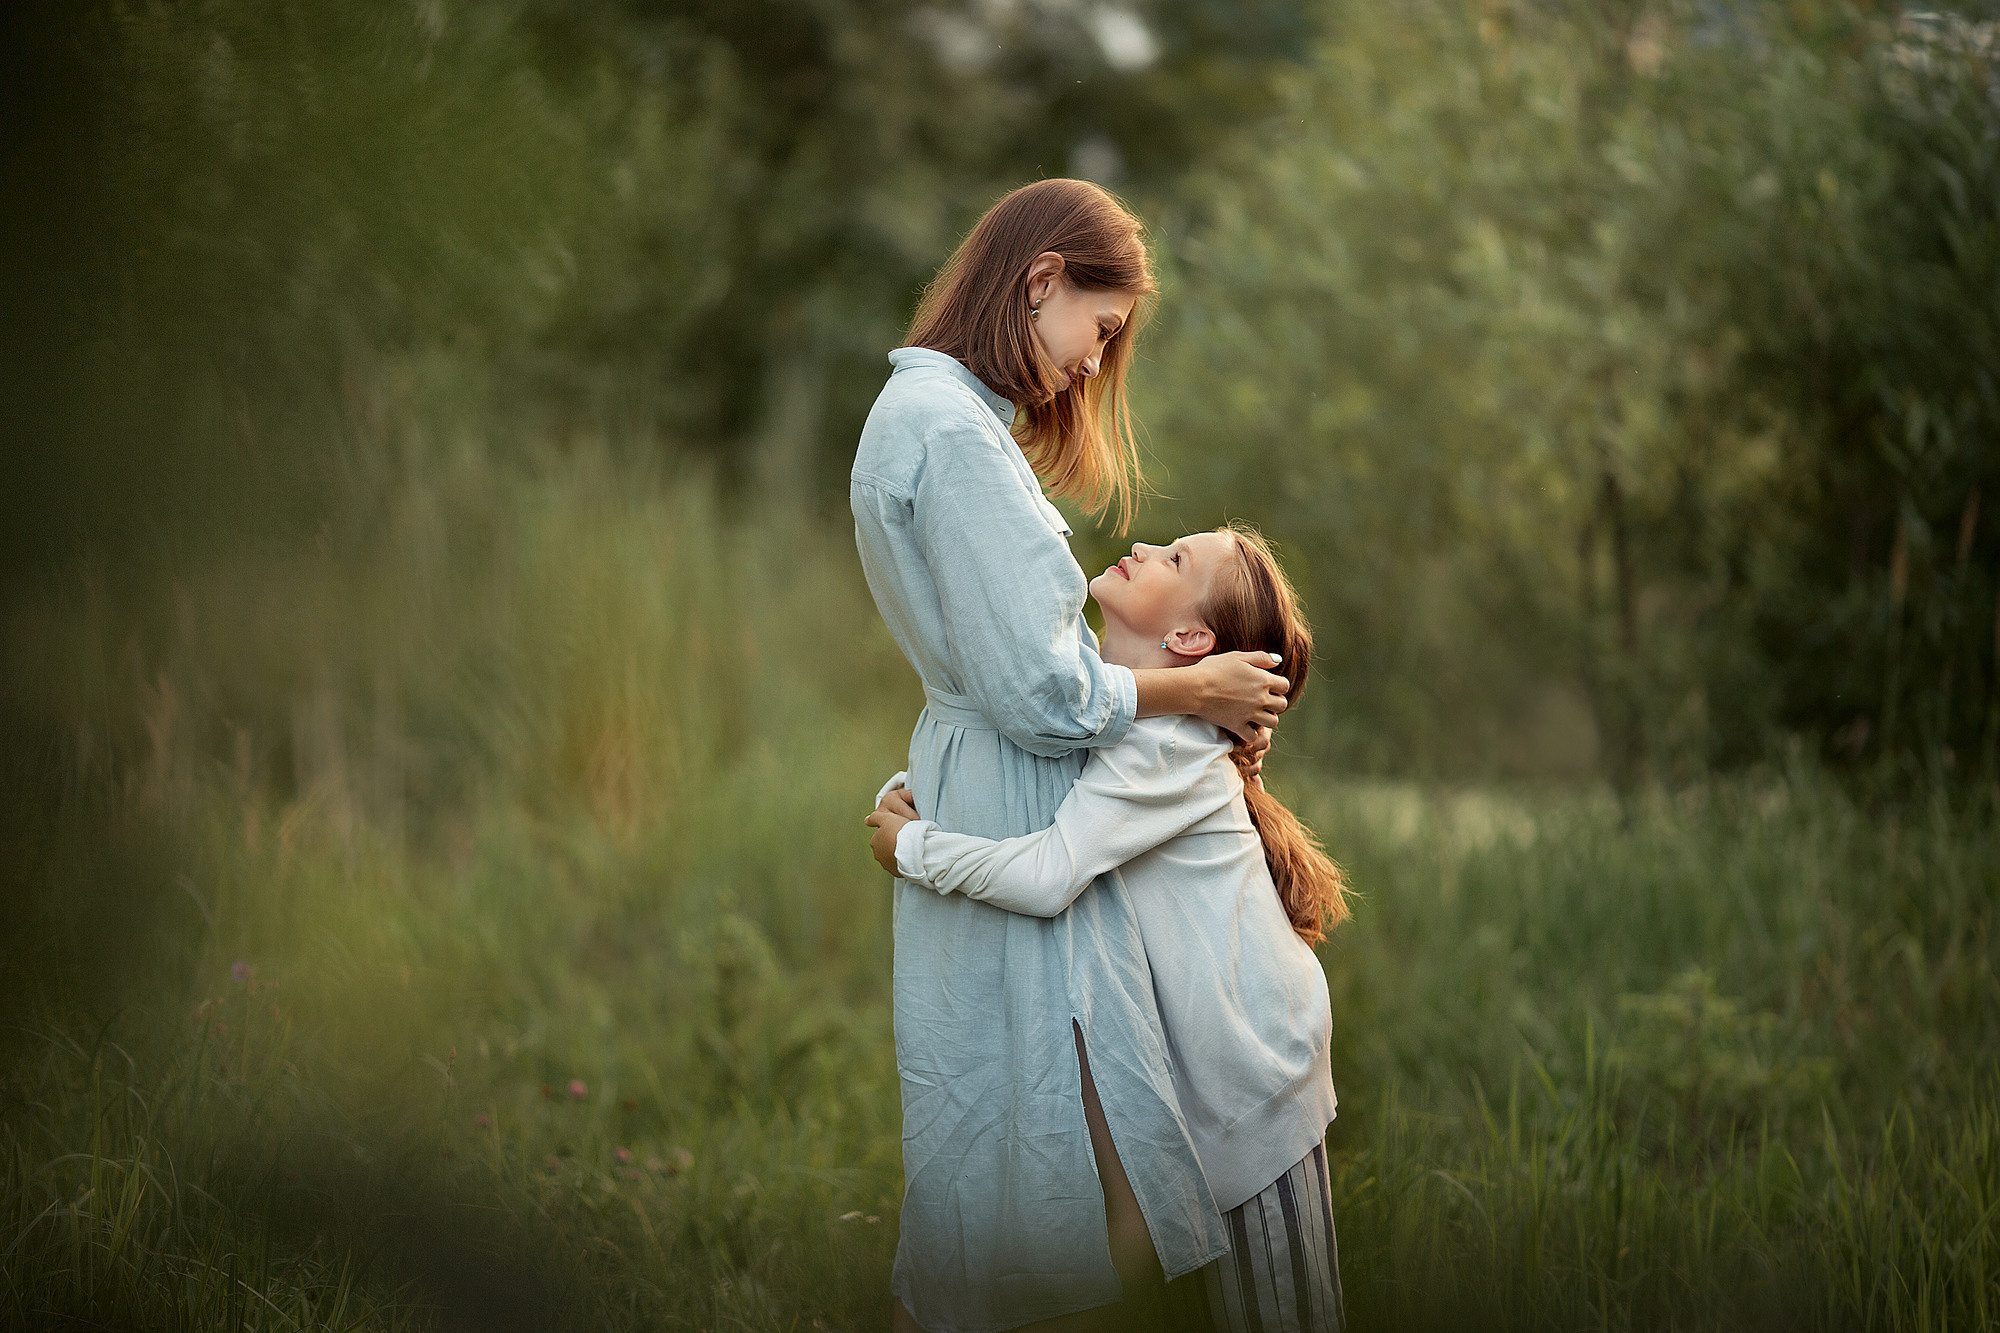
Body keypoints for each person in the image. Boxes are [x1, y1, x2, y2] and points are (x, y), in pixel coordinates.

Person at [850, 179, 1292, 1331]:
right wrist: (1188, 685)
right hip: (1006, 793)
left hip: (983, 779)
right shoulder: (948, 435)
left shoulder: (944, 424)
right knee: (1038, 1152)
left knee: (1017, 1144)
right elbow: (1041, 690)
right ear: (1040, 280)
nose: (1094, 367)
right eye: (1098, 331)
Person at [869, 525, 1349, 1333]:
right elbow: (1015, 764)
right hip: (1196, 1099)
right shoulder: (1112, 714)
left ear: (1190, 638)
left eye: (1174, 559)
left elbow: (1051, 870)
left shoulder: (1169, 741)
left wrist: (913, 846)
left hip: (1254, 1089)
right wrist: (911, 791)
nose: (1143, 545)